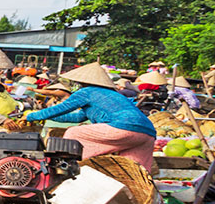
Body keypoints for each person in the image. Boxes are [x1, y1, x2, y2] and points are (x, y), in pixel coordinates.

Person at [24, 62, 157, 170]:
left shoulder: (86, 92)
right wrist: (45, 116)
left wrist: (31, 116)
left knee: (73, 133)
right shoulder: (111, 94)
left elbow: (62, 108)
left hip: (123, 127)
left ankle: (62, 169)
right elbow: (76, 117)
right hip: (147, 133)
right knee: (135, 171)